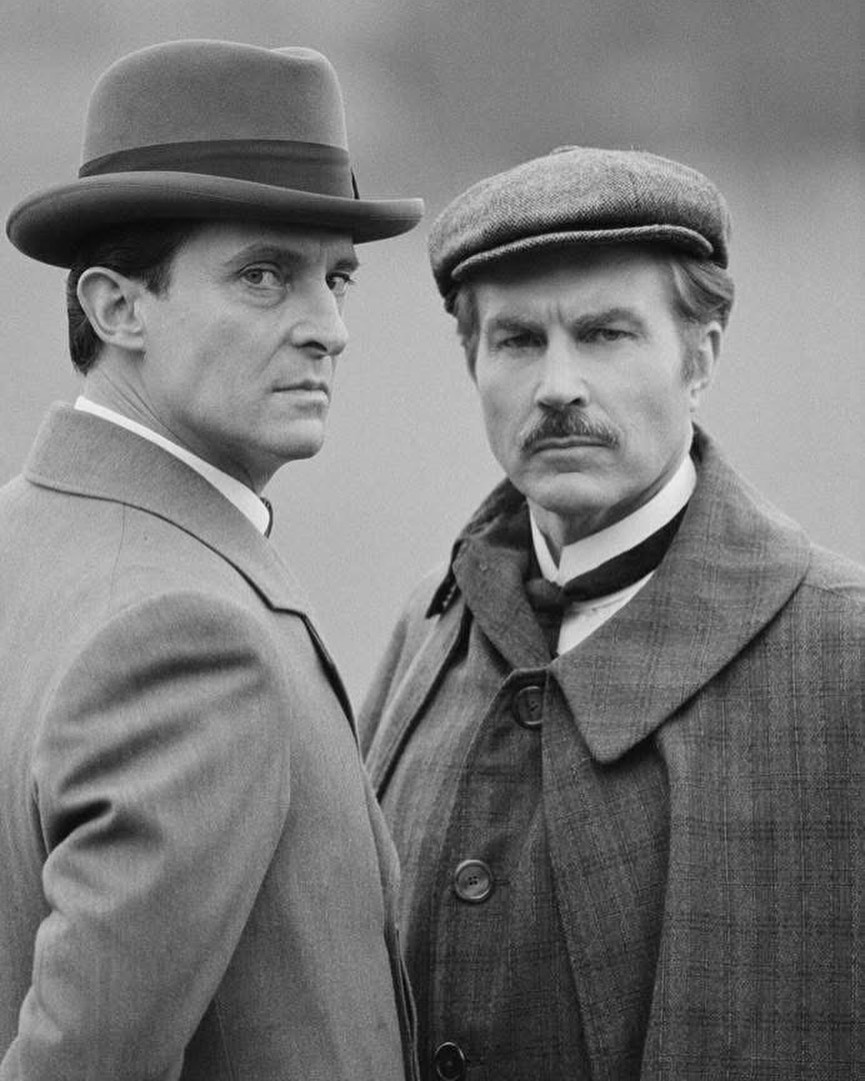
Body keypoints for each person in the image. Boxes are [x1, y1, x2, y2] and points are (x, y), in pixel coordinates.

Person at [360, 145, 865, 1079]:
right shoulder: (426, 632)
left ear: (699, 357)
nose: (557, 385)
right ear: (472, 362)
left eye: (603, 334)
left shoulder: (842, 654)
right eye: (517, 340)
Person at [0, 39, 423, 1080]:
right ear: (116, 307)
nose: (329, 328)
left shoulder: (24, 536)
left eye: (337, 277)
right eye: (264, 276)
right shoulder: (187, 632)